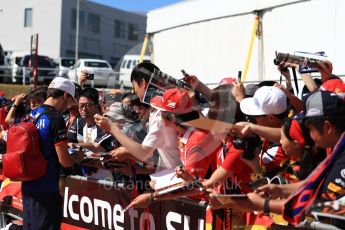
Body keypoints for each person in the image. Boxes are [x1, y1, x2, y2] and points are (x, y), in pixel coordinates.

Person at [22, 77, 84, 230]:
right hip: (47, 189)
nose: (68, 105)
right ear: (64, 95)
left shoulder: (30, 115)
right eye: (70, 100)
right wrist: (77, 157)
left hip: (27, 186)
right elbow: (65, 161)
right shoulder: (55, 119)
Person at [95, 62, 181, 171]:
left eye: (134, 85)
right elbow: (153, 154)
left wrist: (112, 127)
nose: (134, 91)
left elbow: (144, 153)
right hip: (172, 176)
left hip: (178, 179)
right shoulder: (165, 109)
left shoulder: (160, 114)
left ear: (143, 83)